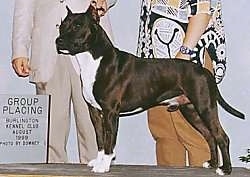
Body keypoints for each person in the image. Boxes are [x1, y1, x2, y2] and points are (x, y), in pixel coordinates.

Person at [11, 0, 116, 163]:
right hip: (47, 51)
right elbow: (24, 9)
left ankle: (98, 170)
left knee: (94, 131)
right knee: (52, 132)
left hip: (91, 49)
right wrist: (19, 50)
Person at [137, 0, 227, 166]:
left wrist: (184, 53)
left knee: (197, 134)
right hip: (156, 60)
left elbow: (203, 9)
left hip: (187, 58)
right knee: (165, 135)